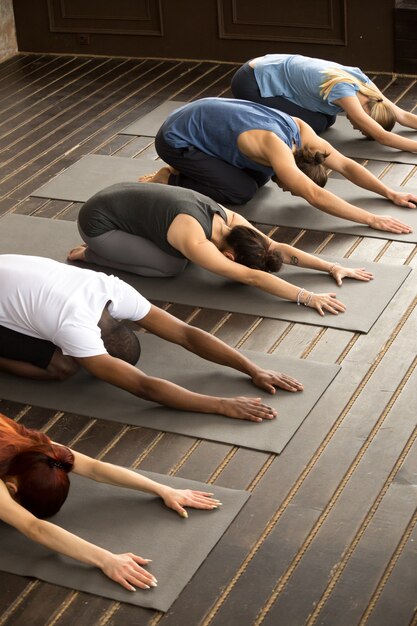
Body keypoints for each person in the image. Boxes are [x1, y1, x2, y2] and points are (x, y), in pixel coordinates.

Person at [0, 254, 303, 421]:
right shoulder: (75, 329)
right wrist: (221, 405)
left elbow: (187, 334)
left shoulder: (115, 292)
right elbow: (143, 387)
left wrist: (253, 369)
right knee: (63, 368)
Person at [68, 182, 374, 316]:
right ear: (230, 255)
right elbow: (252, 278)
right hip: (98, 222)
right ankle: (93, 254)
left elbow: (276, 246)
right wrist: (306, 297)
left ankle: (115, 246)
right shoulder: (195, 239)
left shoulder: (233, 221)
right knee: (171, 266)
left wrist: (332, 267)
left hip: (120, 198)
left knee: (180, 257)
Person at [0, 412, 221, 591]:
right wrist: (106, 559)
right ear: (12, 488)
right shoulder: (29, 451)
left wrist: (163, 489)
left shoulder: (40, 450)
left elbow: (95, 468)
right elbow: (33, 526)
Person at [139, 97, 416, 235]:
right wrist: (371, 219)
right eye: (292, 189)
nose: (288, 191)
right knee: (241, 192)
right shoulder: (276, 148)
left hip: (199, 114)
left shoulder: (303, 134)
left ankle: (195, 167)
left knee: (258, 178)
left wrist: (390, 193)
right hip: (175, 137)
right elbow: (315, 195)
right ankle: (170, 178)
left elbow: (345, 164)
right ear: (293, 173)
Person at [230, 53, 417, 146]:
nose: (356, 128)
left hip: (265, 64)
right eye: (363, 128)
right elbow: (381, 136)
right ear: (368, 116)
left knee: (328, 119)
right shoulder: (343, 91)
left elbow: (401, 115)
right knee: (316, 124)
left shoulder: (368, 89)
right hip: (249, 81)